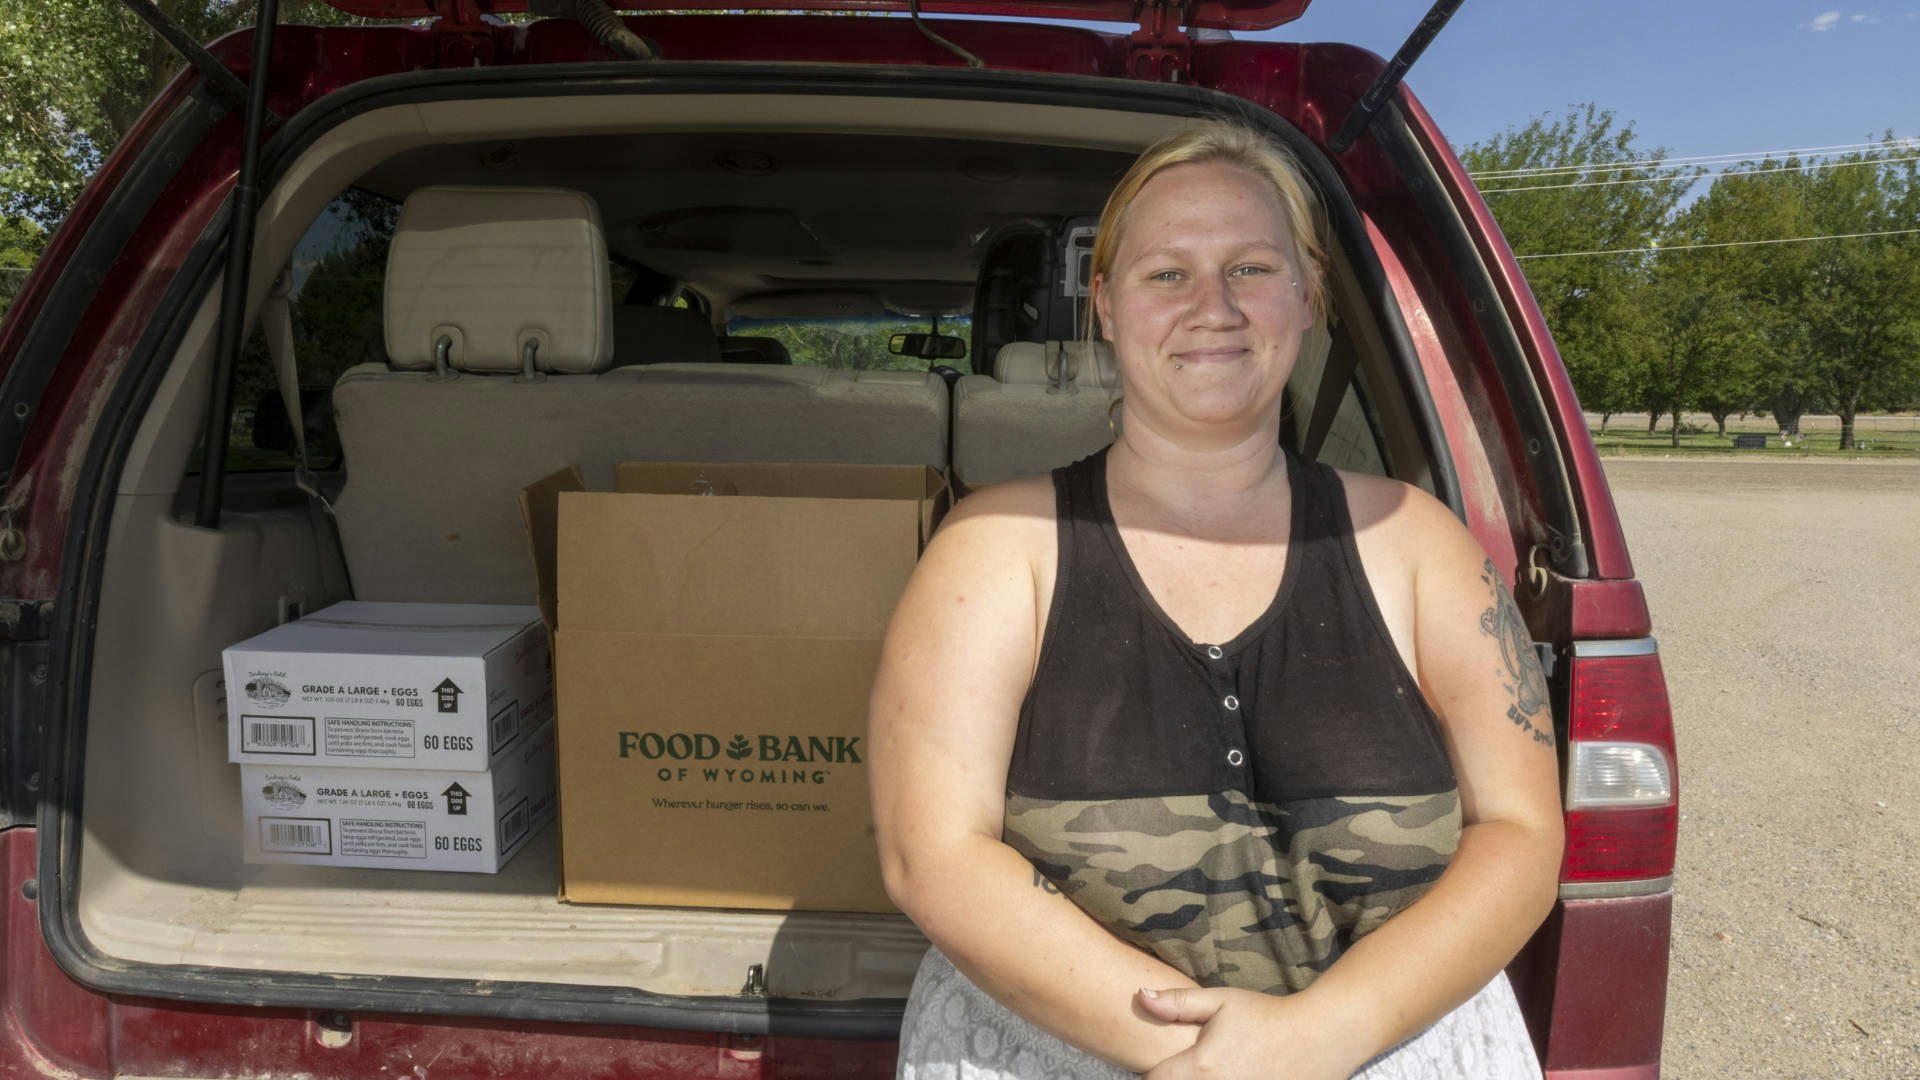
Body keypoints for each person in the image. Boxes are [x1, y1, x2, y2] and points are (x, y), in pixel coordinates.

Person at [868, 120, 1564, 1080]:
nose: (1212, 306)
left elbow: (1522, 833)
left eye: (1250, 268)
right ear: (1104, 305)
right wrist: (1206, 1061)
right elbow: (933, 855)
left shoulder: (1419, 544)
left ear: (1309, 294)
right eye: (1166, 274)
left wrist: (1322, 1035)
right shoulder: (991, 553)